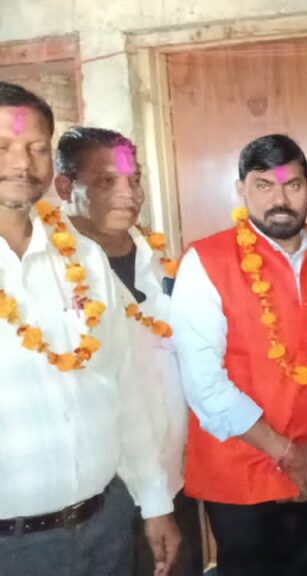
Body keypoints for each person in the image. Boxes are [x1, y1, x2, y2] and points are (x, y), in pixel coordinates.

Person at [0, 81, 180, 575]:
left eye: (36, 148)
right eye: (4, 146)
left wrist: (155, 501)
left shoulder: (83, 257)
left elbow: (123, 385)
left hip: (105, 525)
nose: (21, 163)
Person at [169, 134, 307, 576]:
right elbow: (203, 381)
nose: (280, 200)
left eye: (293, 185)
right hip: (240, 471)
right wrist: (287, 454)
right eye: (264, 185)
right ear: (241, 189)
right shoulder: (206, 261)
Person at [53, 126, 202, 576]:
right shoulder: (51, 269)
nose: (128, 194)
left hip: (175, 476)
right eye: (106, 181)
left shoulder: (160, 259)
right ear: (66, 187)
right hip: (103, 494)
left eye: (134, 180)